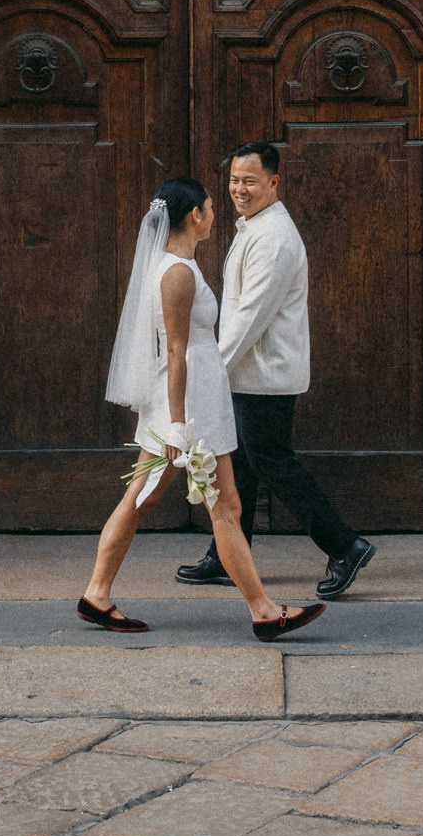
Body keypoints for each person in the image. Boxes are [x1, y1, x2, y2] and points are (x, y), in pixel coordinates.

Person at [78, 177, 326, 642]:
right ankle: (264, 610)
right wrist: (177, 426)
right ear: (195, 215)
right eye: (211, 206)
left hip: (193, 400)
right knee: (215, 506)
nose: (215, 212)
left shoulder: (176, 267)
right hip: (191, 407)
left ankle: (97, 593)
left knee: (153, 499)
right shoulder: (178, 273)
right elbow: (176, 351)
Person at [176, 142, 377, 600]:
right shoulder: (256, 228)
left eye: (249, 180)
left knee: (270, 462)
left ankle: (345, 546)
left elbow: (250, 315)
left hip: (263, 374)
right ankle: (228, 554)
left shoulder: (275, 238)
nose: (239, 190)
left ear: (273, 182)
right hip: (251, 372)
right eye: (233, 180)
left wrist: (211, 369)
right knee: (243, 463)